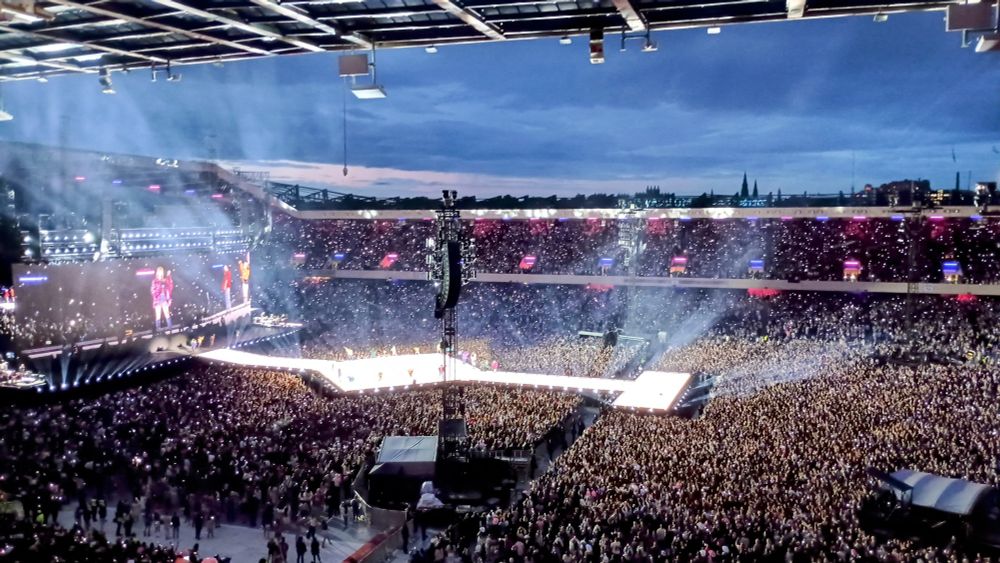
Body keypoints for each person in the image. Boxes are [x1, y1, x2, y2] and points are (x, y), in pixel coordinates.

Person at [151, 267, 174, 331]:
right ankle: (158, 329)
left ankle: (170, 328)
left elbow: (170, 286)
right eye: (160, 271)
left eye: (162, 271)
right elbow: (153, 290)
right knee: (158, 315)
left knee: (167, 313)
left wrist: (169, 276)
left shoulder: (165, 280)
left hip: (164, 298)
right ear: (157, 273)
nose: (161, 273)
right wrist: (155, 297)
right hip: (158, 299)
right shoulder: (155, 281)